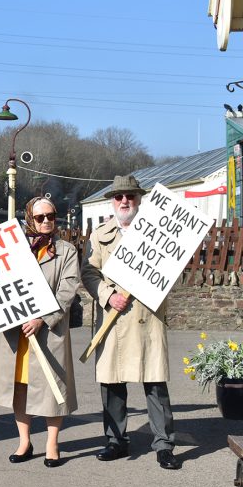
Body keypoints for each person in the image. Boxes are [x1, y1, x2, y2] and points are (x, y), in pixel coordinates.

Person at [81, 175, 180, 470]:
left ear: (139, 199)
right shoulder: (100, 234)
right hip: (113, 320)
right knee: (111, 383)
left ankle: (164, 445)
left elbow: (171, 269)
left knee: (155, 383)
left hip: (146, 318)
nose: (125, 201)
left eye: (130, 196)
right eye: (119, 196)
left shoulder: (158, 233)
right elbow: (89, 272)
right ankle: (116, 441)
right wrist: (108, 296)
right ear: (112, 201)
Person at [0, 197, 80, 468]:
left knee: (52, 387)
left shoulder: (66, 250)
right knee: (21, 388)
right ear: (29, 218)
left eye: (51, 215)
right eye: (40, 217)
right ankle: (24, 441)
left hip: (49, 331)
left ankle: (52, 444)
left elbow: (67, 289)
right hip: (17, 332)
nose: (47, 221)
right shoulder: (13, 248)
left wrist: (43, 318)